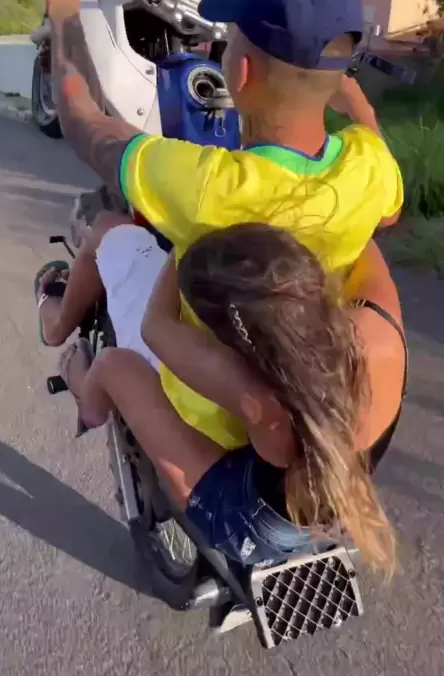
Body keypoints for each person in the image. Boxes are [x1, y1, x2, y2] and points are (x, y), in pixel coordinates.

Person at [33, 0, 403, 455]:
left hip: (202, 407)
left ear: (241, 72)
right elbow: (390, 206)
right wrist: (355, 102)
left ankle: (58, 328)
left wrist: (63, 5)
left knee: (109, 231)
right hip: (294, 390)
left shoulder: (205, 184)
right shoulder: (369, 166)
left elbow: (83, 122)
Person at [41, 224, 405, 574]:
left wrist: (185, 238)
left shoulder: (258, 398)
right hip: (338, 487)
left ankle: (86, 398)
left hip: (253, 525)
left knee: (113, 366)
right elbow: (360, 234)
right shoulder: (381, 327)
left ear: (237, 344)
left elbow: (155, 328)